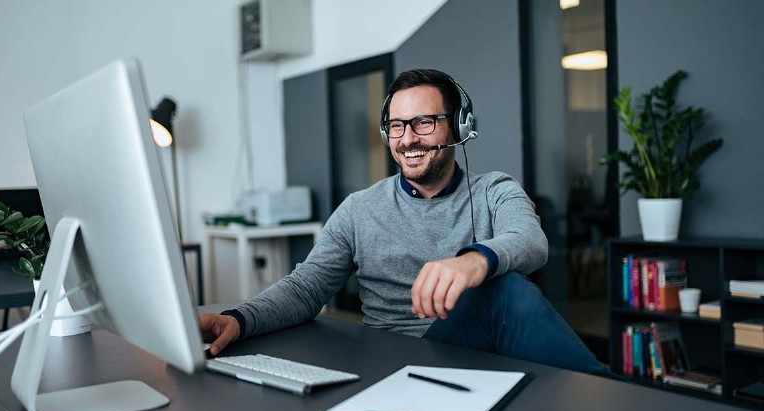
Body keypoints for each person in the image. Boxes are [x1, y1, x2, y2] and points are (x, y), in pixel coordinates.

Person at [200, 68, 607, 376]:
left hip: (478, 352)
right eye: (397, 125)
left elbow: (530, 241)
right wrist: (238, 319)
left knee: (504, 290)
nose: (408, 138)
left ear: (460, 126)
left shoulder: (494, 190)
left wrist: (474, 261)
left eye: (424, 122)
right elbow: (306, 288)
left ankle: (610, 398)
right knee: (505, 293)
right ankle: (614, 395)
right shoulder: (359, 208)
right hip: (395, 361)